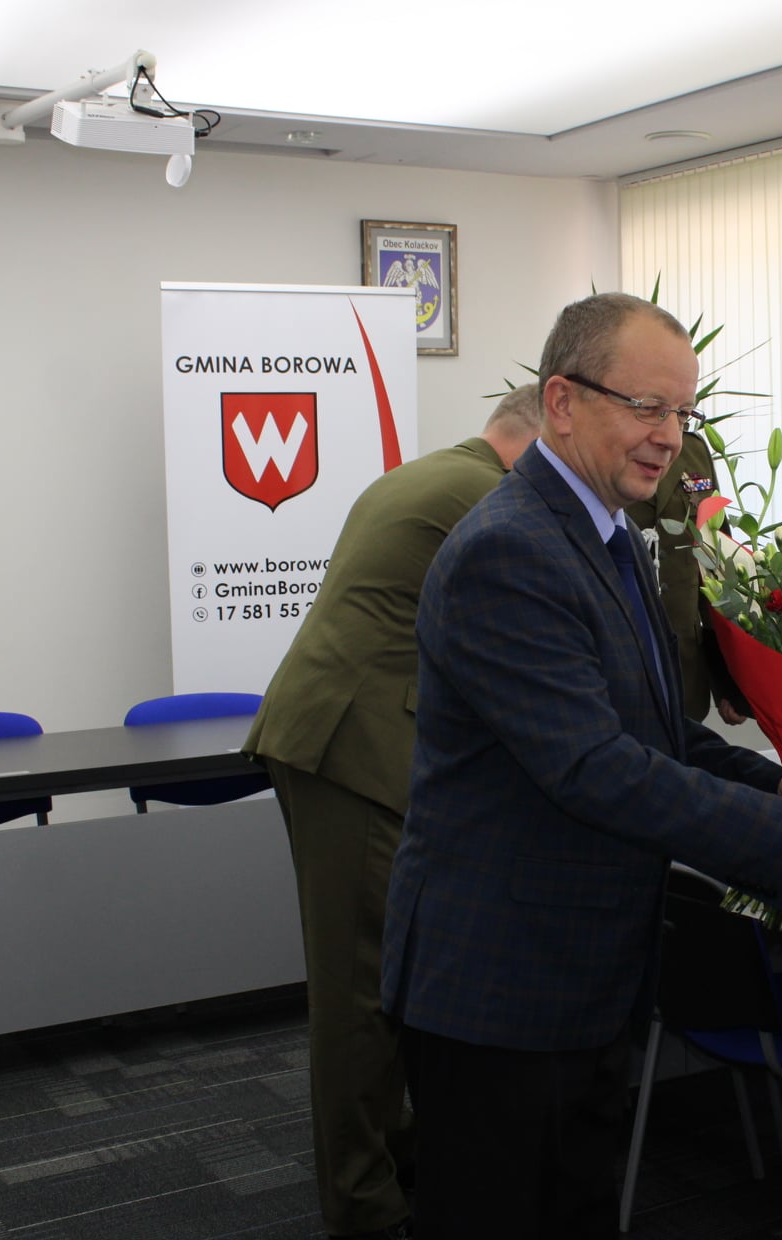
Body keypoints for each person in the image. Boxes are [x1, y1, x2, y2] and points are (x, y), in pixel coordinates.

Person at [380, 292, 782, 1238]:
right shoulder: (508, 552)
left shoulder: (605, 534)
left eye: (684, 412)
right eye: (646, 407)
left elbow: (662, 739)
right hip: (500, 993)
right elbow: (595, 769)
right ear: (561, 401)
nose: (670, 436)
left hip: (587, 977)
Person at [242, 385, 543, 1240]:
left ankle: (395, 1150)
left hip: (340, 737)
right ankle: (362, 1205)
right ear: (530, 440)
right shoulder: (488, 494)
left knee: (388, 974)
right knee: (359, 992)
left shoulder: (435, 473)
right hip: (355, 750)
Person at [625, 427, 744, 724]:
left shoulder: (692, 449)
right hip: (623, 667)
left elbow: (714, 566)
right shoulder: (601, 448)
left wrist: (726, 680)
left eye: (684, 411)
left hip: (684, 669)